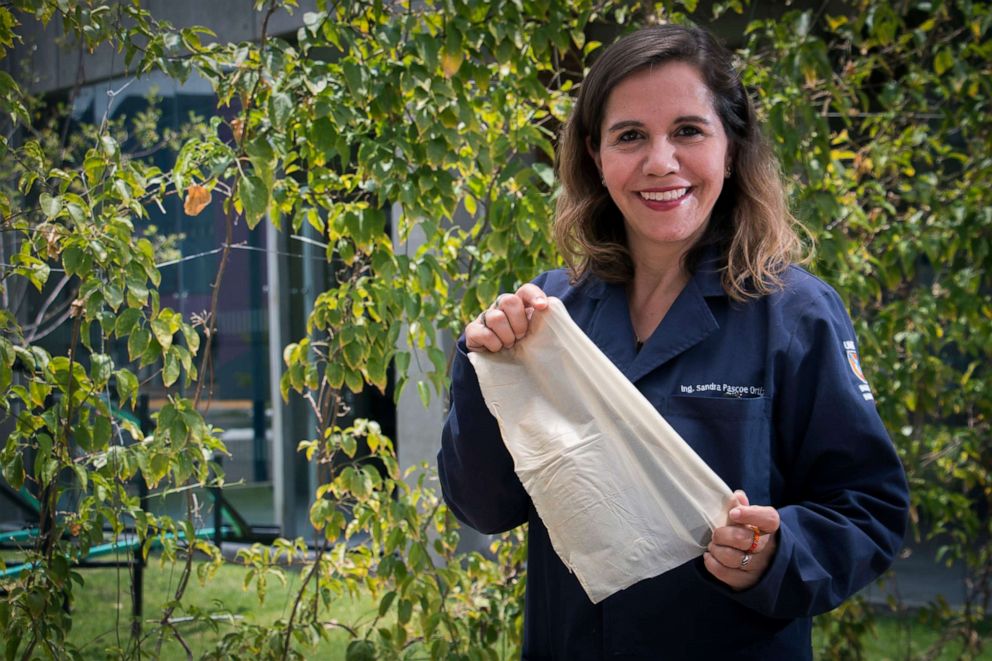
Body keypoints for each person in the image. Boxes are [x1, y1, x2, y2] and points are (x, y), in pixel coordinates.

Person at [438, 23, 909, 660]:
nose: (661, 162)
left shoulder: (794, 315)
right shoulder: (548, 318)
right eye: (630, 136)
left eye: (688, 131)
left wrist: (778, 555)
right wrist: (484, 368)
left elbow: (868, 509)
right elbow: (485, 508)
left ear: (731, 149)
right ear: (597, 156)